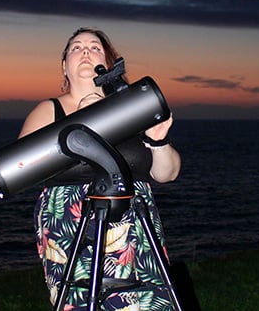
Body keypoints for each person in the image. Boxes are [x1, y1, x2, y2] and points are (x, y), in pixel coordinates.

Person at [18, 27, 181, 310]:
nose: (85, 51)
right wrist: (86, 117)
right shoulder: (48, 110)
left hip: (133, 220)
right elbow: (23, 167)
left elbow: (166, 173)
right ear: (64, 66)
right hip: (71, 219)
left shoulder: (131, 109)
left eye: (94, 47)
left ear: (107, 62)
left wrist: (159, 141)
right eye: (75, 48)